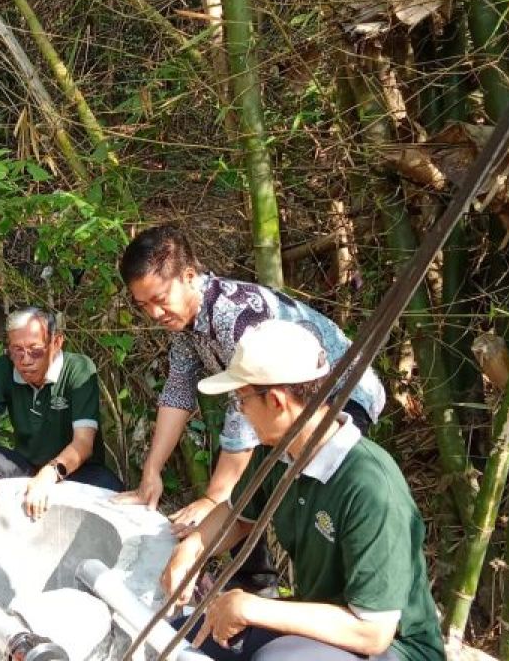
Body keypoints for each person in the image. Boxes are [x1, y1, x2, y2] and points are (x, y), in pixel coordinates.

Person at [113, 225, 387, 591]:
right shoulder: (184, 324)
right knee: (241, 486)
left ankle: (334, 598)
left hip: (339, 394)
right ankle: (255, 584)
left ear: (189, 277)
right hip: (274, 406)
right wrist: (152, 471)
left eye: (160, 299)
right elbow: (178, 390)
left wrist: (213, 498)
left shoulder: (234, 313)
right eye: (144, 305)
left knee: (300, 495)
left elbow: (244, 417)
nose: (154, 313)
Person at [162, 320, 445, 661]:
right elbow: (238, 518)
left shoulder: (370, 488)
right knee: (182, 637)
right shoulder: (277, 452)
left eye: (241, 401)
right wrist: (191, 550)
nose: (240, 412)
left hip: (393, 648)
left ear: (278, 401)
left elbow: (373, 632)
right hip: (318, 624)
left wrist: (251, 607)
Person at [0, 307, 123, 520]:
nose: (25, 360)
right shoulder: (0, 369)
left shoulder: (78, 369)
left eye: (35, 350)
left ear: (56, 343)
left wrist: (49, 474)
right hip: (27, 466)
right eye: (17, 350)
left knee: (113, 491)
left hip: (74, 471)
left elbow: (83, 443)